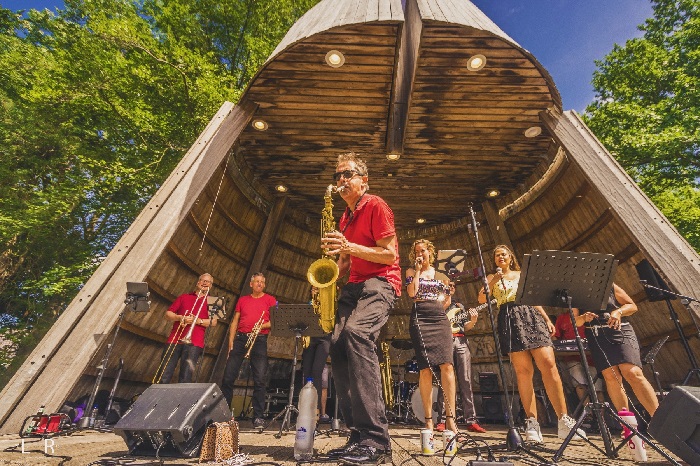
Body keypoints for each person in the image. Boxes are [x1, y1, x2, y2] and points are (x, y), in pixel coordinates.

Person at [321, 152, 401, 464]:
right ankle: (357, 435)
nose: (341, 180)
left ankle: (377, 440)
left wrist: (349, 246)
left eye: (347, 174)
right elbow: (346, 261)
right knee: (338, 346)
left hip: (381, 282)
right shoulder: (344, 216)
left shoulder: (376, 204)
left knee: (356, 334)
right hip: (353, 286)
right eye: (337, 176)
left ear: (363, 180)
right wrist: (329, 277)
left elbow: (389, 255)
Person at [478, 245, 585, 443]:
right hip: (508, 316)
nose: (500, 257)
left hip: (530, 313)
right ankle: (532, 422)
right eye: (496, 255)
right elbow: (481, 298)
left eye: (503, 254)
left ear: (510, 257)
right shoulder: (492, 278)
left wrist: (545, 318)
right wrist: (493, 279)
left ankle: (564, 419)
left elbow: (534, 298)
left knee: (548, 364)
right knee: (523, 371)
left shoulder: (522, 274)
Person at [575, 283, 659, 417]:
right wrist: (584, 318)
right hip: (596, 334)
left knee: (632, 372)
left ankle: (659, 420)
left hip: (620, 329)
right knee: (611, 376)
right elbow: (575, 321)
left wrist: (618, 312)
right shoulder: (574, 291)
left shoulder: (609, 284)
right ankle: (628, 425)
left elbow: (632, 306)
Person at [405, 239, 459, 435]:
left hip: (439, 317)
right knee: (425, 369)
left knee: (448, 366)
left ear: (431, 253)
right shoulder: (411, 272)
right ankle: (428, 419)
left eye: (423, 251)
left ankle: (450, 418)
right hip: (420, 317)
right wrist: (418, 271)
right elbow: (412, 293)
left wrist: (448, 294)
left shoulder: (441, 274)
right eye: (417, 251)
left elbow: (446, 303)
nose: (420, 254)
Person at [221, 273, 277, 429]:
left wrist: (261, 326)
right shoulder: (243, 300)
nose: (259, 284)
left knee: (260, 379)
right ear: (251, 284)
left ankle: (258, 417)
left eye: (262, 282)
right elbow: (235, 321)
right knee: (228, 378)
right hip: (240, 339)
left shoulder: (270, 300)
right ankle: (224, 415)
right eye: (256, 282)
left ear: (264, 285)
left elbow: (275, 321)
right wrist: (231, 341)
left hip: (259, 339)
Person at [436, 282, 487, 433]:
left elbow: (466, 327)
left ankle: (471, 419)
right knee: (442, 380)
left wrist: (473, 320)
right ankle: (442, 420)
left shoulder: (459, 306)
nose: (450, 287)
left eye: (452, 285)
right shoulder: (437, 303)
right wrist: (443, 300)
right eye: (446, 285)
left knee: (466, 379)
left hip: (461, 341)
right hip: (444, 341)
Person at [158, 273, 218, 384]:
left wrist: (197, 320)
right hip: (174, 339)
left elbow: (214, 322)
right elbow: (167, 314)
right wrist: (180, 317)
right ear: (198, 282)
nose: (205, 283)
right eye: (202, 280)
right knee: (163, 375)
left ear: (211, 286)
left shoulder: (216, 301)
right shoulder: (184, 297)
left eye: (208, 281)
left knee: (186, 378)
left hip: (195, 343)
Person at [553, 311, 605, 406]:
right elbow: (555, 336)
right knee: (580, 385)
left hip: (592, 359)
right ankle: (588, 414)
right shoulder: (562, 318)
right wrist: (558, 349)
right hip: (572, 358)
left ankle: (601, 417)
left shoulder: (589, 314)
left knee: (597, 388)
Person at [302, 286, 332, 422]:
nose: (315, 291)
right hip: (310, 339)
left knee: (317, 371)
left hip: (324, 338)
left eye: (318, 289)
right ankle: (305, 409)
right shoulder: (309, 304)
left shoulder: (328, 303)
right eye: (313, 289)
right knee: (307, 372)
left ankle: (317, 410)